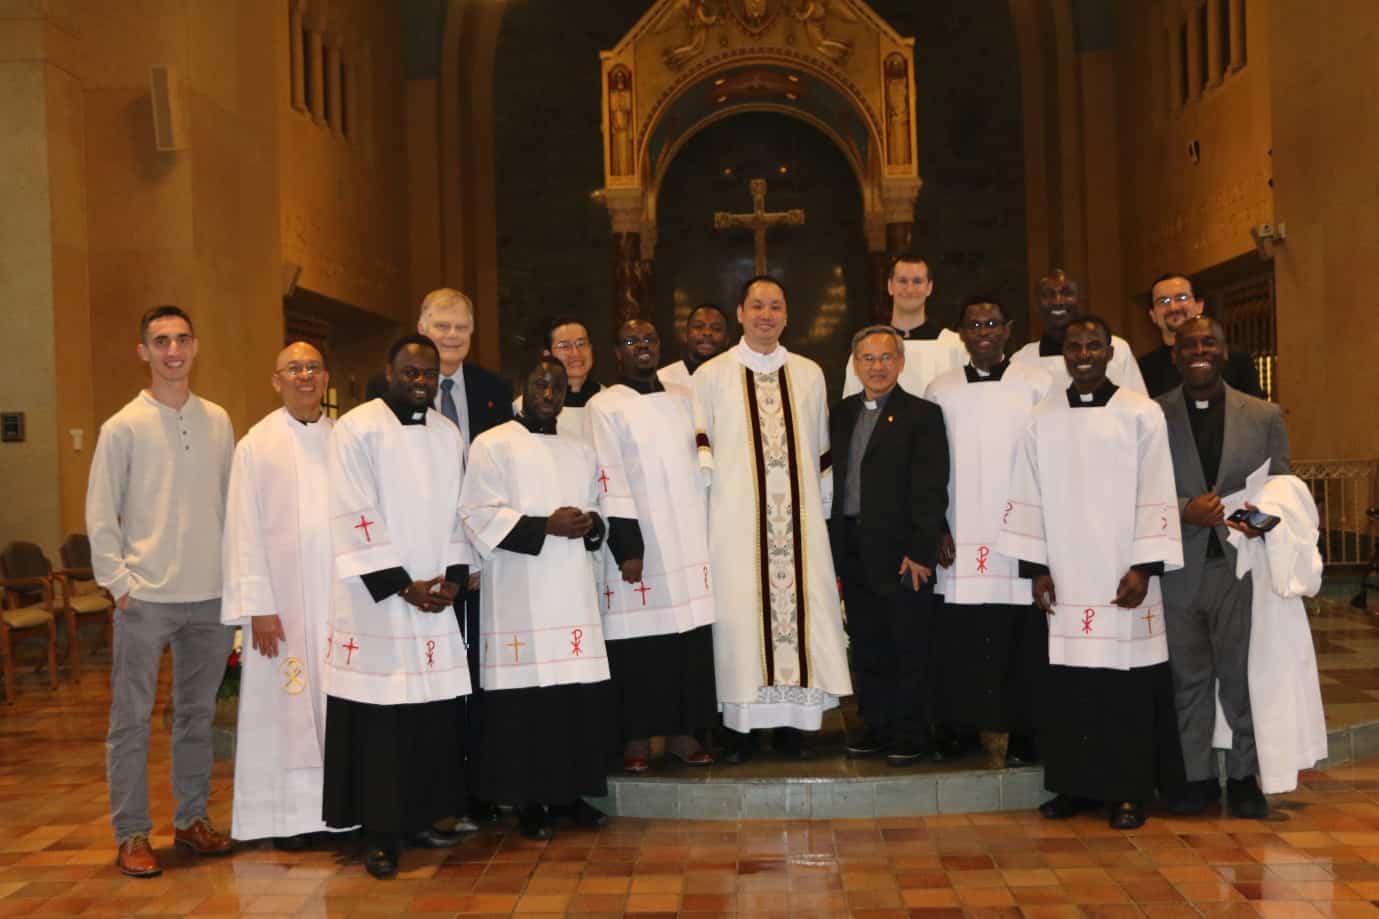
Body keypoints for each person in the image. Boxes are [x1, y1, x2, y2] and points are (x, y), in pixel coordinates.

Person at [998, 316, 1185, 830]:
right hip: (1066, 576)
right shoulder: (1042, 418)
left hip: (1124, 574)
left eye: (1093, 346)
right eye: (1075, 347)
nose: (1083, 355)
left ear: (1109, 352)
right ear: (1064, 356)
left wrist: (1144, 566)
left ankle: (1128, 792)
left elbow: (1157, 488)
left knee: (1124, 689)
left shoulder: (1141, 413)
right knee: (1069, 688)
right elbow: (1027, 492)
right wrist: (1036, 569)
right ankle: (1073, 787)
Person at [86, 305, 236, 877]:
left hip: (211, 597)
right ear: (144, 352)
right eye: (161, 341)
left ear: (195, 347)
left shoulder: (218, 420)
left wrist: (234, 579)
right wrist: (120, 585)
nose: (173, 350)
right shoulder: (122, 426)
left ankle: (192, 820)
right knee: (130, 720)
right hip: (145, 599)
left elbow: (231, 505)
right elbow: (101, 512)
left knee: (196, 716)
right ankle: (131, 833)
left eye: (181, 339)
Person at [320, 335, 473, 879]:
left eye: (428, 374)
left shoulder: (448, 433)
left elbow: (460, 510)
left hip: (433, 596)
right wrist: (401, 584)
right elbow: (351, 511)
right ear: (389, 372)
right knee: (382, 719)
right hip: (379, 600)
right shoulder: (356, 428)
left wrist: (453, 581)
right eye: (411, 372)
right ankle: (381, 834)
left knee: (430, 713)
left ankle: (422, 817)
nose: (421, 382)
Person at [693, 275, 852, 763]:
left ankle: (793, 727)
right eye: (757, 306)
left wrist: (822, 517)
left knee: (802, 617)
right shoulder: (711, 375)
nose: (766, 315)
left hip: (800, 525)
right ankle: (740, 729)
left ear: (787, 315)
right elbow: (701, 456)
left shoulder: (808, 374)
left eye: (776, 306)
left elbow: (822, 454)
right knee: (740, 621)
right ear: (740, 313)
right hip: (735, 524)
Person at [460, 358, 613, 841]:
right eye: (539, 384)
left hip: (571, 592)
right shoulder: (492, 443)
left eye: (558, 387)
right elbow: (477, 513)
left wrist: (591, 525)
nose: (549, 394)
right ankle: (528, 801)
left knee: (573, 696)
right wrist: (545, 525)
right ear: (521, 387)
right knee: (526, 701)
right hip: (518, 588)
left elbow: (600, 510)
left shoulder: (580, 450)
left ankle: (570, 795)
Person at [1156, 315, 1290, 818]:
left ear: (1224, 350)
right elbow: (1136, 491)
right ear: (1175, 355)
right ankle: (1196, 780)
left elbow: (1284, 490)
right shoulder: (1152, 415)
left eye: (1208, 343)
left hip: (1240, 568)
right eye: (1188, 345)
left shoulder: (1263, 415)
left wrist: (1257, 522)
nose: (1199, 352)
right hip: (1178, 569)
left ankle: (1243, 776)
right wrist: (1183, 508)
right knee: (1188, 680)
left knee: (1240, 678)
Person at [221, 342, 343, 850]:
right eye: (294, 368)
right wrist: (259, 607)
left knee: (337, 708)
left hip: (339, 606)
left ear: (326, 377)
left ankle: (341, 812)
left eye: (313, 367)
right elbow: (242, 529)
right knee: (283, 706)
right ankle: (287, 818)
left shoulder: (344, 440)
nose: (304, 376)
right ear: (277, 381)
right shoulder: (256, 445)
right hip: (282, 611)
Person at [925, 297, 1052, 769]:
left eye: (992, 323)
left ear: (1008, 329)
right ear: (961, 332)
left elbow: (1049, 457)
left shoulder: (1037, 384)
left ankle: (1025, 733)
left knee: (1021, 637)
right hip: (959, 529)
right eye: (974, 324)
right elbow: (929, 466)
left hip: (1018, 529)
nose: (984, 331)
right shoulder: (940, 389)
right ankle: (959, 729)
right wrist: (937, 523)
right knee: (960, 636)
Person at [589, 319, 717, 773]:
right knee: (640, 645)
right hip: (640, 541)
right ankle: (637, 737)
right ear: (616, 352)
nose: (641, 346)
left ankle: (684, 733)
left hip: (689, 538)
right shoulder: (605, 405)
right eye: (630, 341)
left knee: (688, 638)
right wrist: (628, 546)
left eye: (649, 339)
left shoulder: (684, 397)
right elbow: (608, 476)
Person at [828, 326, 949, 766]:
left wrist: (920, 550)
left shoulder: (922, 414)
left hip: (902, 553)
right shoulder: (841, 413)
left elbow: (931, 488)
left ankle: (910, 732)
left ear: (900, 362)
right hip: (852, 547)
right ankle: (876, 726)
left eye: (885, 358)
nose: (876, 366)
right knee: (867, 642)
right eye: (867, 358)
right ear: (854, 363)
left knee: (908, 645)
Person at [416, 287, 512, 830]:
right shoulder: (393, 388)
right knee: (431, 672)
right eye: (442, 326)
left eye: (461, 328)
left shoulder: (493, 390)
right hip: (421, 551)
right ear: (422, 328)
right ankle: (434, 787)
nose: (451, 336)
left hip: (482, 552)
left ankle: (477, 785)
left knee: (478, 672)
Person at [841, 254, 966, 398]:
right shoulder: (865, 348)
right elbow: (852, 405)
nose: (909, 289)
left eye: (917, 281)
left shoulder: (954, 345)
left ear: (929, 288)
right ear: (890, 286)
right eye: (902, 281)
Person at [1011, 268, 1147, 393]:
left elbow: (1138, 405)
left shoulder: (1117, 349)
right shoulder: (1022, 361)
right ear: (1036, 305)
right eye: (1048, 294)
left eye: (1067, 293)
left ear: (1082, 300)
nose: (1058, 301)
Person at [1137, 273, 1265, 398]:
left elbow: (1254, 409)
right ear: (1153, 315)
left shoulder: (1235, 360)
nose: (1173, 307)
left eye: (1181, 298)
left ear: (1199, 306)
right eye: (1163, 301)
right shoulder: (1141, 370)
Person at [513, 316, 601, 442]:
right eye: (564, 346)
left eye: (581, 344)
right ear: (547, 354)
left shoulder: (610, 401)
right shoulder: (529, 406)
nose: (576, 353)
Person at [658, 303, 730, 388]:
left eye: (716, 328)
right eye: (698, 326)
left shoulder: (737, 377)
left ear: (727, 339)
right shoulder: (663, 379)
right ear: (685, 335)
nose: (707, 333)